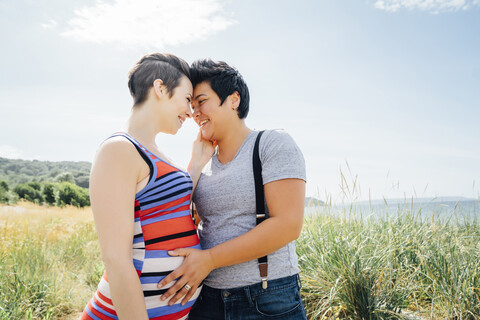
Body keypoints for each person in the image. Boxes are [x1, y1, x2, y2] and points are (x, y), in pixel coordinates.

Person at [157, 59, 307, 319]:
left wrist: (210, 259)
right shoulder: (203, 161)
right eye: (191, 106)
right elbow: (174, 214)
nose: (194, 112)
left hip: (267, 297)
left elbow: (288, 225)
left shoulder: (271, 143)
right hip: (207, 298)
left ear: (233, 99)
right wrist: (194, 165)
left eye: (201, 101)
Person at [81, 53, 214, 320]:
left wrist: (196, 165)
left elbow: (164, 209)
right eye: (187, 99)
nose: (190, 112)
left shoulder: (153, 152)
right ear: (160, 88)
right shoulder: (119, 149)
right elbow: (117, 260)